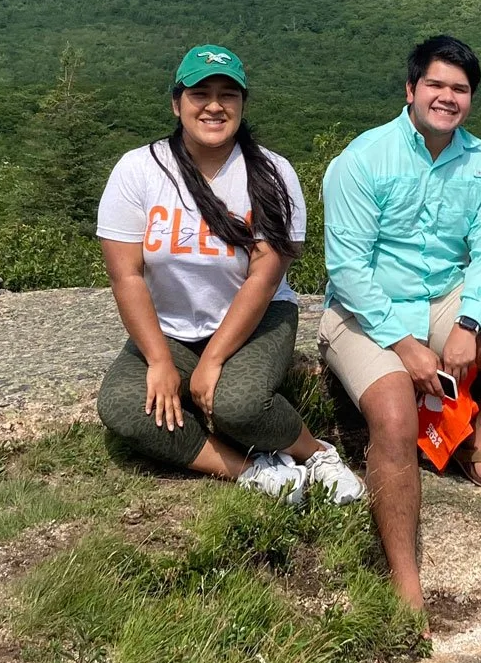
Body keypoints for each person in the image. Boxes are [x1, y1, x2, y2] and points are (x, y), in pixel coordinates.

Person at [319, 35, 481, 614]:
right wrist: (405, 346)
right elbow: (348, 271)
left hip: (445, 296)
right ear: (411, 89)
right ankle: (406, 584)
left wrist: (469, 324)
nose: (448, 97)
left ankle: (478, 432)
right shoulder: (363, 159)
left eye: (460, 88)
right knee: (394, 415)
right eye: (436, 84)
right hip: (366, 310)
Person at [96, 44, 365, 506]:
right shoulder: (139, 170)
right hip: (172, 328)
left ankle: (315, 453)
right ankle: (249, 469)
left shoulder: (272, 173)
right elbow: (127, 276)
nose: (214, 106)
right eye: (200, 94)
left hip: (257, 320)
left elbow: (264, 277)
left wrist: (214, 359)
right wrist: (159, 361)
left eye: (228, 95)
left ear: (242, 104)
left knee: (237, 404)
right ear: (176, 103)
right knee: (123, 405)